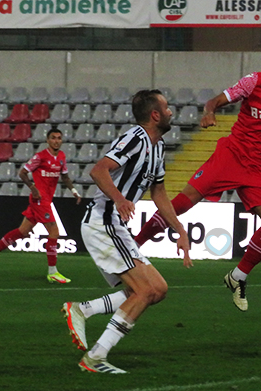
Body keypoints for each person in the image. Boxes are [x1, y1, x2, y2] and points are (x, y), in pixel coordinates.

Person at [133, 49, 261, 312]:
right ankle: (133, 245)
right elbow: (215, 101)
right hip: (231, 157)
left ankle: (237, 277)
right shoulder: (255, 82)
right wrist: (210, 112)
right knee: (182, 203)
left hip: (259, 170)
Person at [63, 89, 192, 374]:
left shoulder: (157, 147)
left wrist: (180, 230)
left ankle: (83, 310)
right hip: (103, 221)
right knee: (144, 290)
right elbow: (98, 171)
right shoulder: (135, 138)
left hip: (114, 224)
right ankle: (95, 357)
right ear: (155, 115)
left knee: (158, 290)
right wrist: (120, 199)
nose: (171, 112)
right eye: (167, 108)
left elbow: (159, 192)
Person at [0, 128, 81, 284]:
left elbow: (65, 176)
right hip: (40, 200)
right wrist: (32, 187)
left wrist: (74, 191)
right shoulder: (40, 157)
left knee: (23, 232)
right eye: (53, 138)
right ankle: (52, 272)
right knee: (54, 232)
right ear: (48, 140)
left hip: (46, 199)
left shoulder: (61, 157)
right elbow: (22, 173)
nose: (57, 141)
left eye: (59, 138)